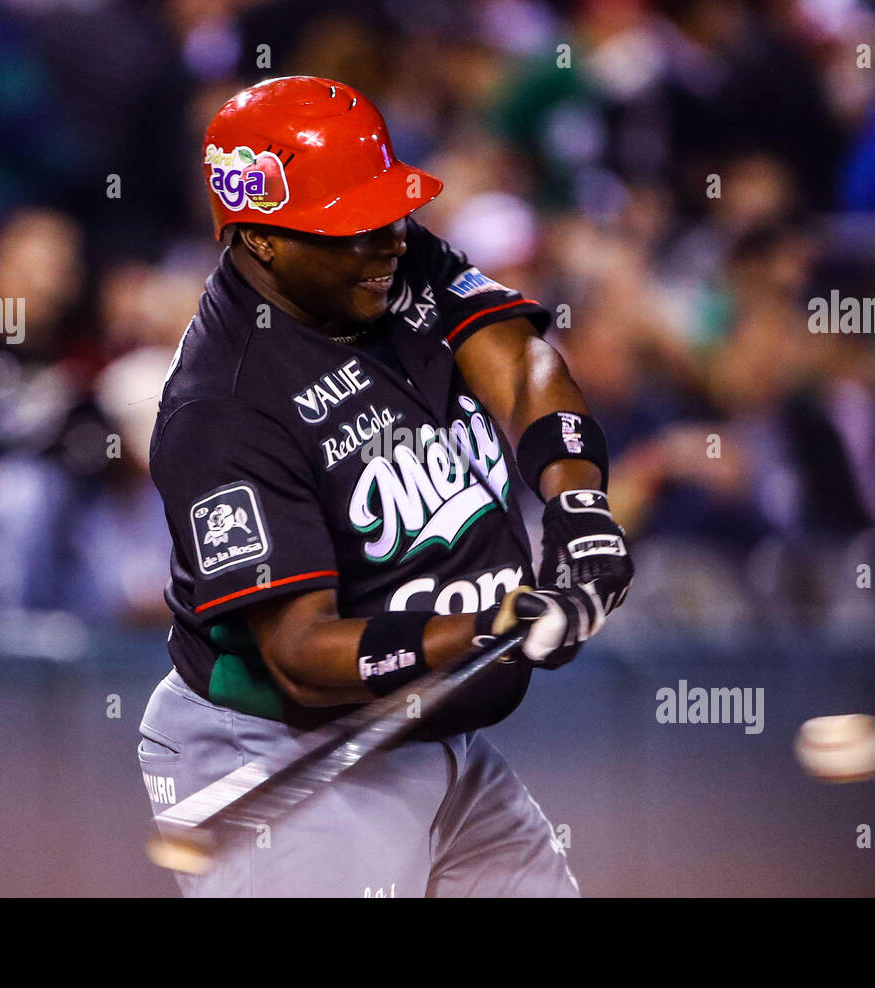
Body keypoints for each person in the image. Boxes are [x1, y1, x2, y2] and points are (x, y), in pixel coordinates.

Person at [137, 76, 634, 897]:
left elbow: (519, 359)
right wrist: (481, 626)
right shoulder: (222, 407)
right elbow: (300, 655)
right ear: (262, 239)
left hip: (435, 734)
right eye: (354, 227)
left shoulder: (378, 263)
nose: (392, 240)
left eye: (390, 215)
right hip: (287, 753)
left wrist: (578, 504)